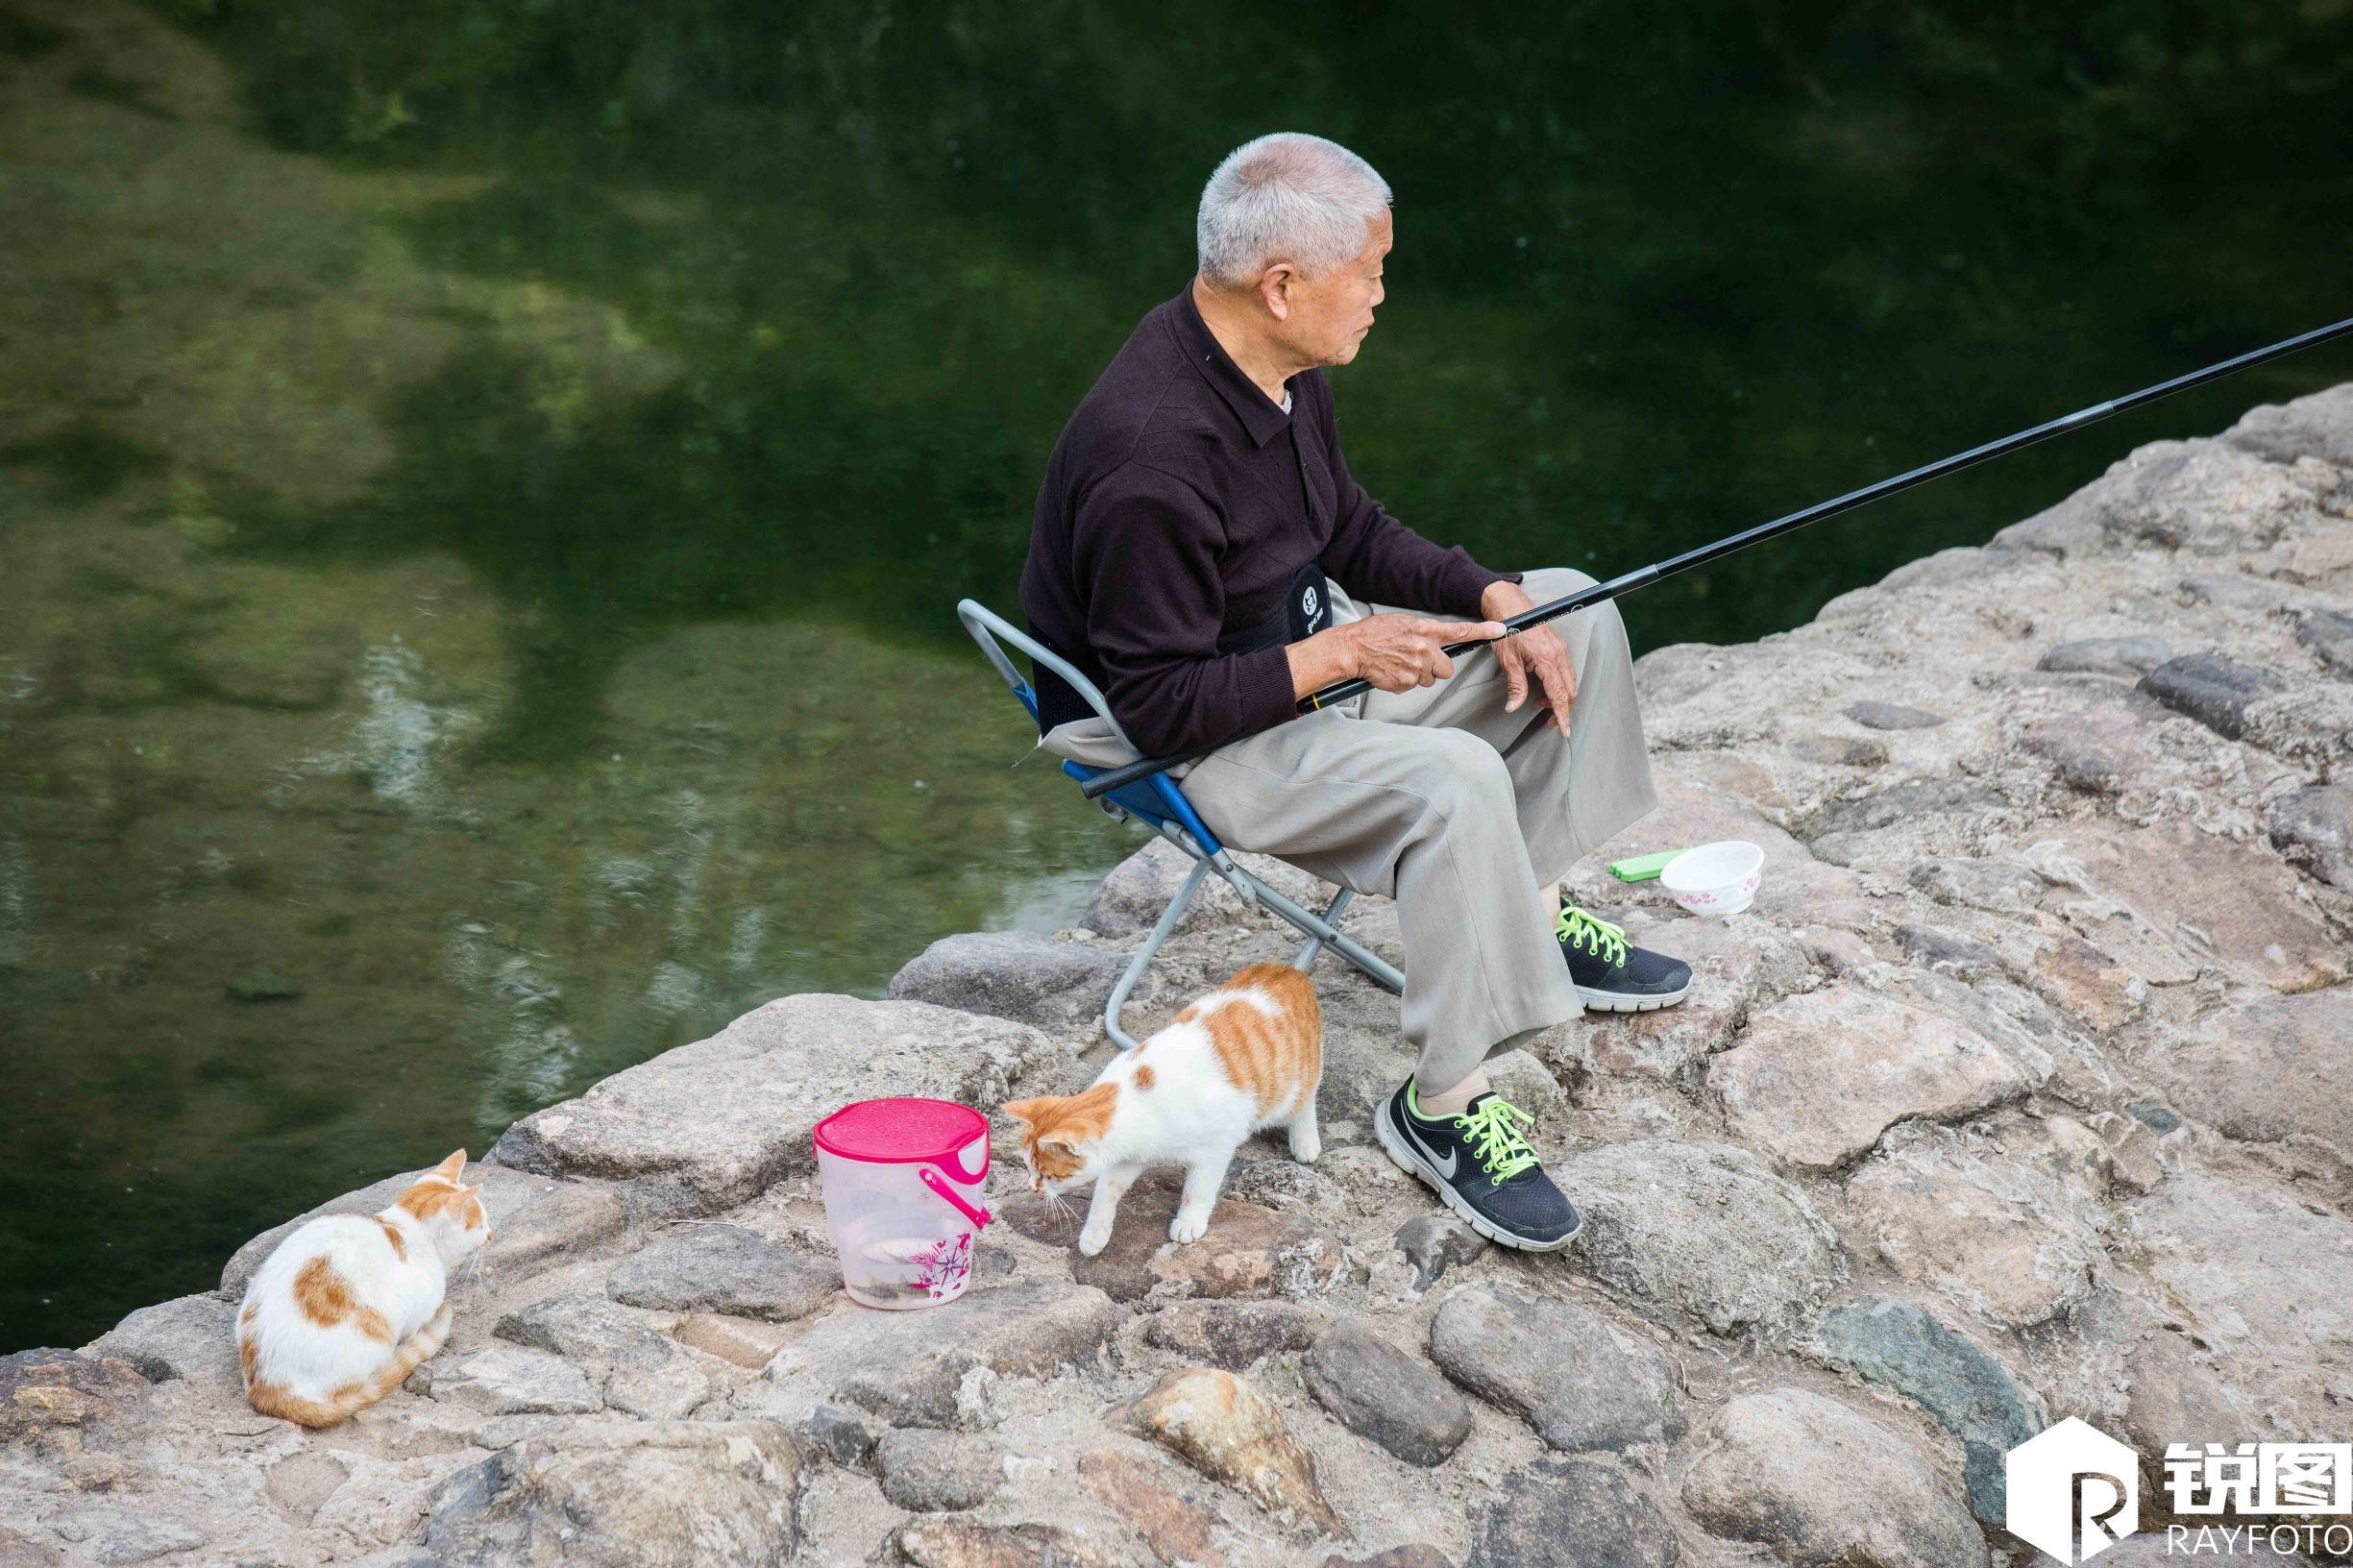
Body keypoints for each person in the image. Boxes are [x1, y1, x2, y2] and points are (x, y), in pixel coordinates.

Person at [1017, 132, 1690, 1251]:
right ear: (1280, 287)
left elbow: (1345, 527)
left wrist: (1486, 595)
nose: (1381, 296)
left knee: (1573, 607)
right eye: (1369, 271)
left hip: (1285, 667)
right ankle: (1442, 1106)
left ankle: (1521, 908)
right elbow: (1159, 707)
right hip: (1187, 741)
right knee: (1455, 779)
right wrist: (1345, 655)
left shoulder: (1270, 369)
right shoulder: (1151, 458)